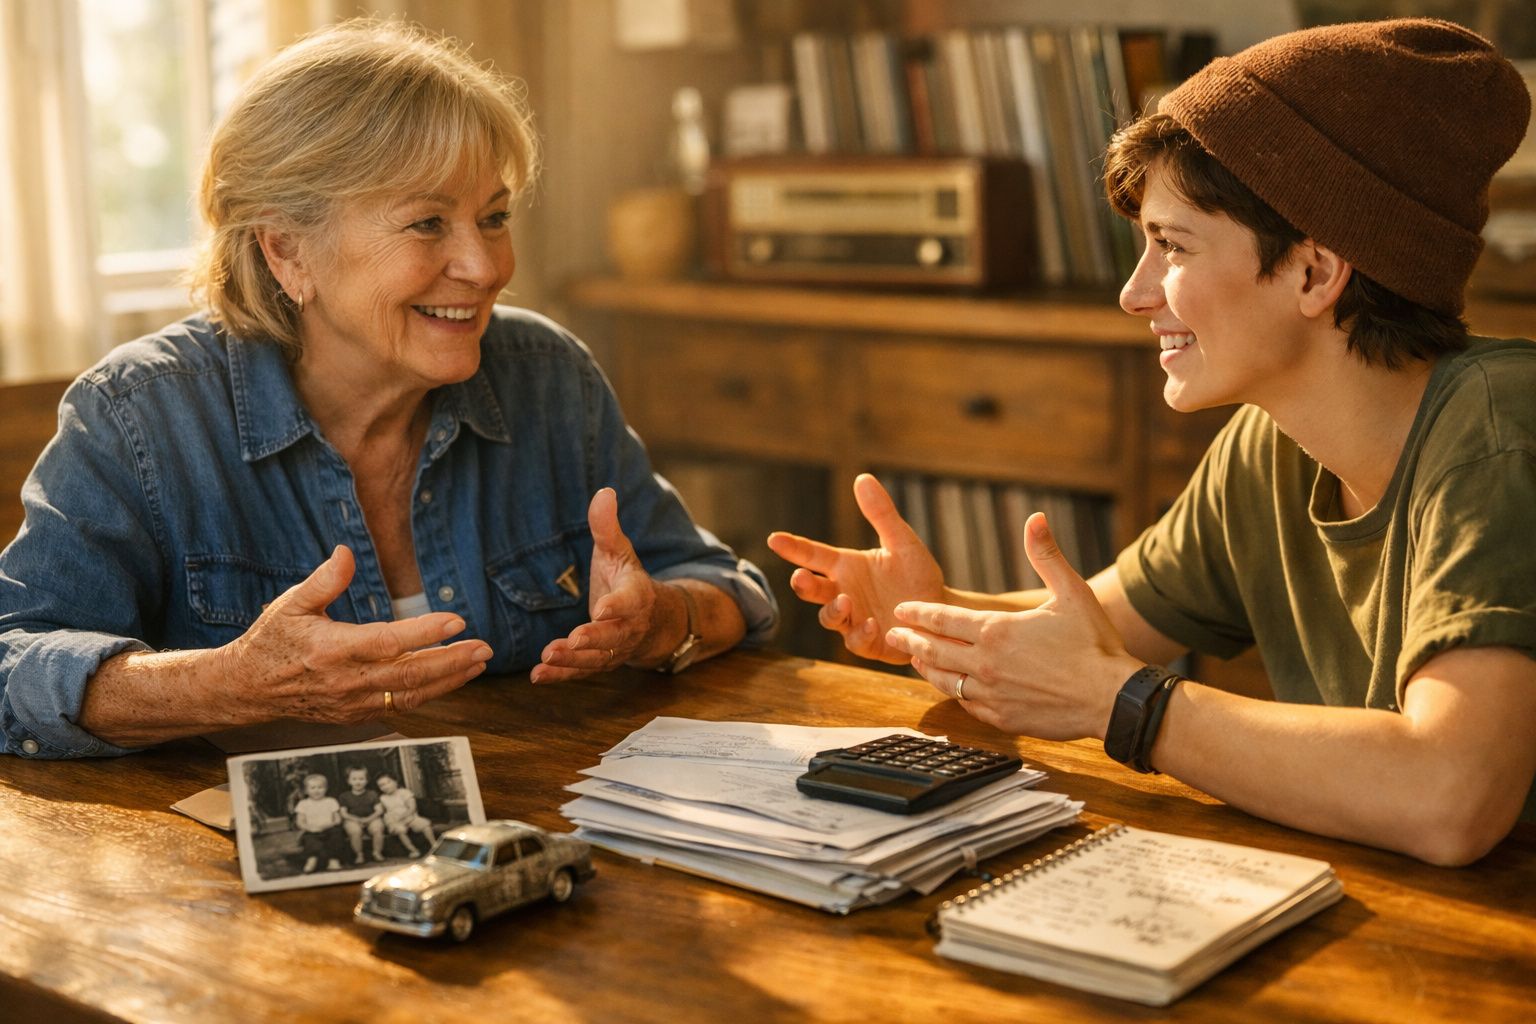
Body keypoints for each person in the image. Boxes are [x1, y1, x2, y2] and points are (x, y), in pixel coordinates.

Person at [769, 18, 1536, 866]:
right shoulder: (1268, 447)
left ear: (1315, 272)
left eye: (1171, 246)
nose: (1135, 295)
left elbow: (1450, 799)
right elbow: (1094, 634)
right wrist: (931, 614)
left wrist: (1128, 707)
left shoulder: (1499, 430)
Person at [0, 19, 776, 760]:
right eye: (427, 224)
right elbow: (13, 667)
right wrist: (229, 683)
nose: (484, 267)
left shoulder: (548, 376)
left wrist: (659, 622)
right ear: (286, 250)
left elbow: (723, 589)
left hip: (528, 834)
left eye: (495, 217)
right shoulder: (139, 414)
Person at [293, 773, 348, 874]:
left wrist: (329, 824)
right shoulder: (303, 804)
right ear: (306, 790)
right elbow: (300, 822)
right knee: (310, 839)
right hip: (312, 830)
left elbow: (338, 819)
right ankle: (312, 859)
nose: (317, 790)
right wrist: (310, 828)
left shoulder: (331, 801)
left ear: (326, 789)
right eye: (313, 788)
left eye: (320, 787)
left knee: (336, 835)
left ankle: (333, 859)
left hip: (329, 828)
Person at [376, 772, 436, 857]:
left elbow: (412, 807)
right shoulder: (383, 798)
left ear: (395, 782)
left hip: (410, 817)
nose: (385, 786)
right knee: (400, 830)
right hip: (395, 820)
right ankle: (413, 850)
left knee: (425, 825)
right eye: (381, 785)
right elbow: (382, 811)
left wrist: (405, 816)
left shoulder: (404, 792)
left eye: (388, 782)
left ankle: (434, 844)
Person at [339, 766, 386, 864]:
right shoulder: (344, 796)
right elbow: (343, 813)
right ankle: (359, 854)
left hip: (371, 818)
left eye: (361, 779)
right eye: (354, 779)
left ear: (367, 780)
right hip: (353, 819)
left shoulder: (372, 794)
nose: (358, 782)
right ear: (348, 781)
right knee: (355, 831)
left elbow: (379, 810)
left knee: (378, 827)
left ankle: (377, 852)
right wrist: (357, 820)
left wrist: (369, 819)